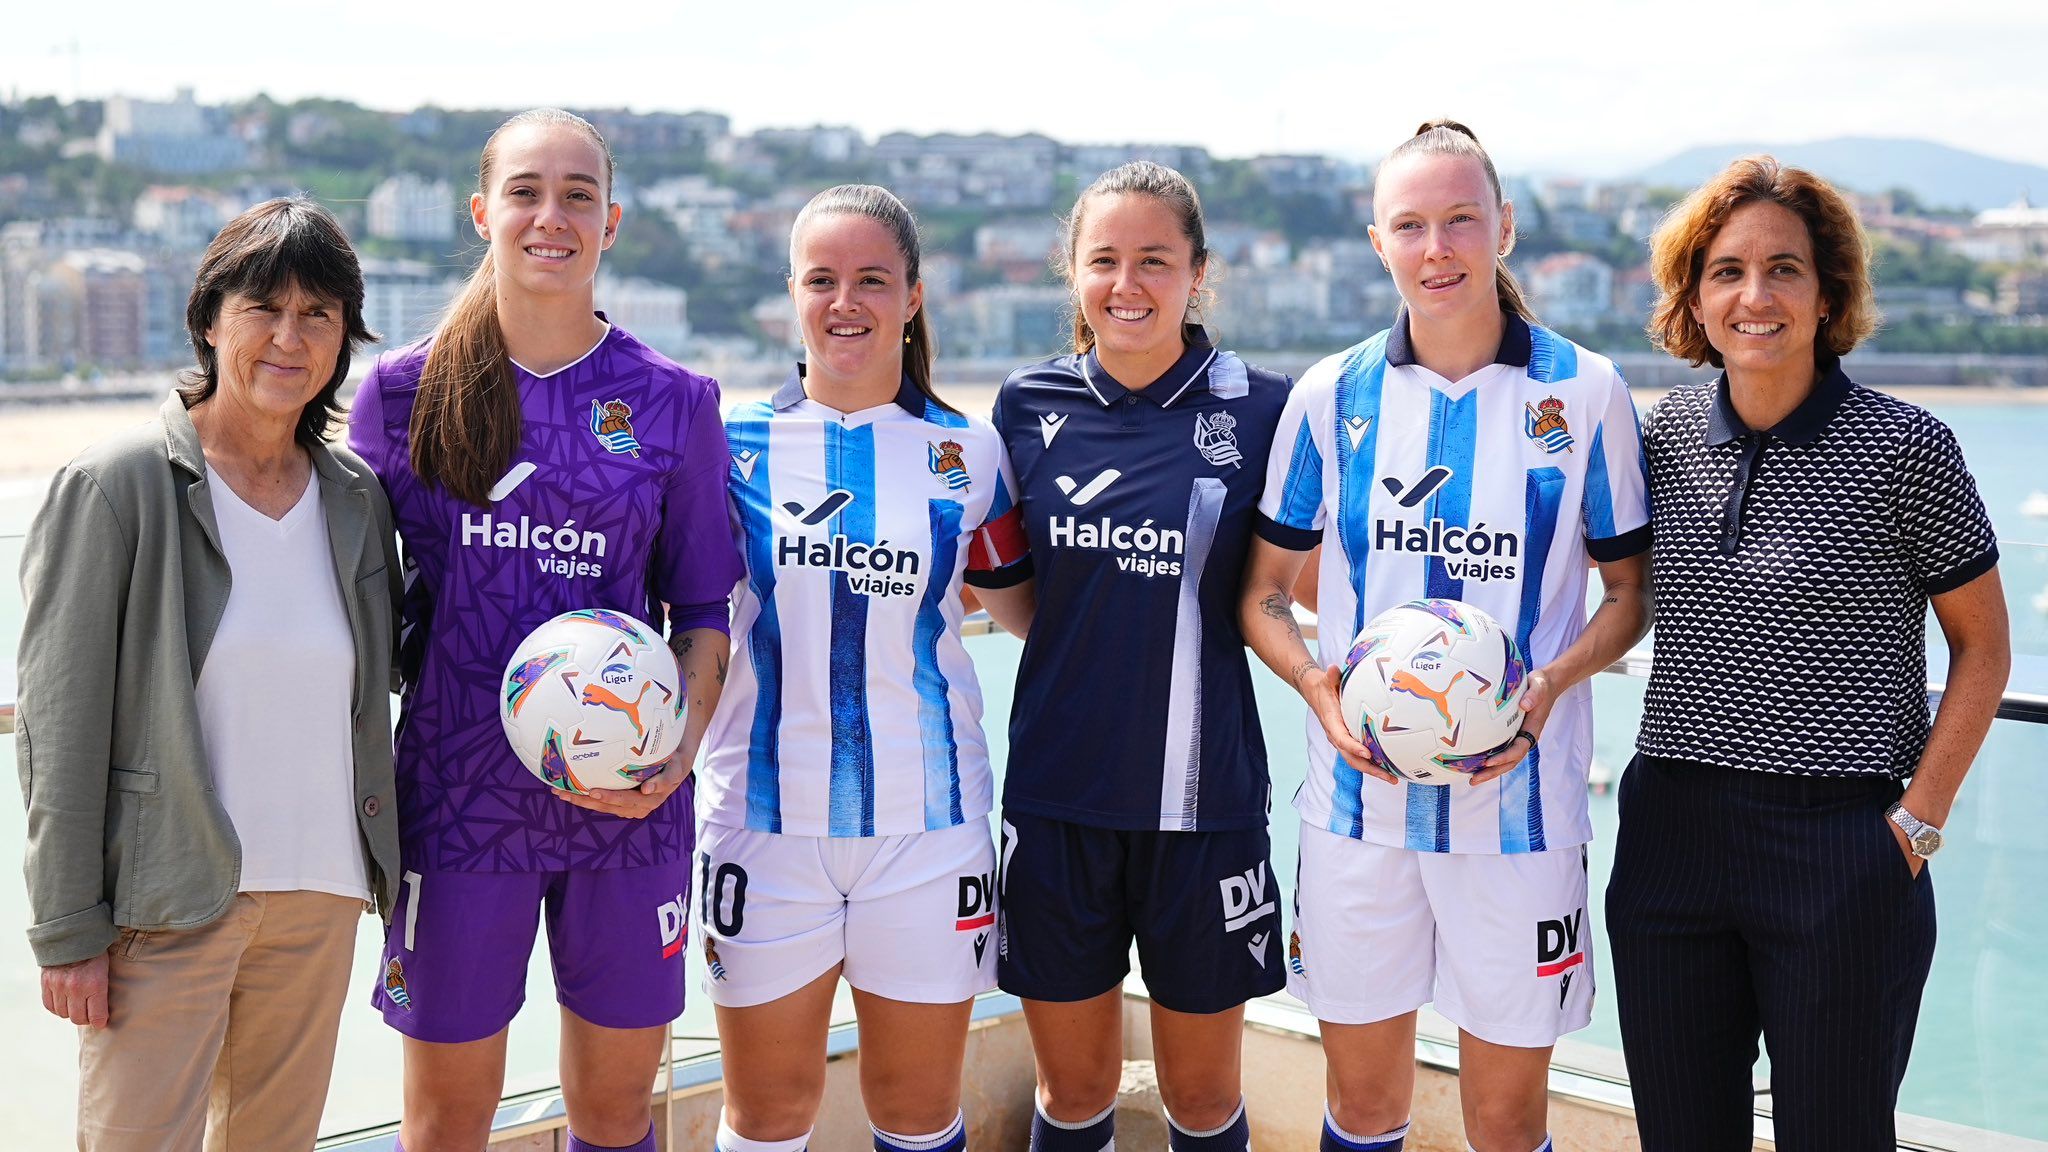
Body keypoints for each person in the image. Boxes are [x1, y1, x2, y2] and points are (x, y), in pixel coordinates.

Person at [1239, 121, 1652, 1152]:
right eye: (1411, 225)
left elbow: (1628, 595)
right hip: (1354, 814)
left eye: (1460, 219)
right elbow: (1258, 596)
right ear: (1376, 240)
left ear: (1502, 227)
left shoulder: (1583, 392)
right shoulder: (1330, 397)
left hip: (1521, 817)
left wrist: (1548, 683)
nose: (1438, 248)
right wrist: (1318, 688)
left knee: (1503, 1124)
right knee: (1363, 1108)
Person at [347, 109, 743, 1152]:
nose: (550, 215)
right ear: (483, 212)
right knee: (445, 1122)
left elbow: (703, 609)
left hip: (627, 806)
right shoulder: (400, 395)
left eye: (577, 195)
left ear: (610, 222)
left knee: (615, 1117)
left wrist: (679, 753)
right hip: (456, 805)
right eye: (526, 191)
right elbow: (337, 597)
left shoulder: (673, 403)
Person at [1607, 155, 2011, 1150]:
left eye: (1783, 269)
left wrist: (1914, 826)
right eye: (1726, 271)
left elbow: (1982, 650)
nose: (1755, 295)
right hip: (1668, 836)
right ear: (1692, 298)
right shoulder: (1655, 437)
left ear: (1825, 292)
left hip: (1839, 848)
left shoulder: (1904, 447)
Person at [18, 197, 398, 1151]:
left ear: (345, 337)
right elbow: (59, 727)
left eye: (318, 314)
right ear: (209, 318)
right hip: (166, 904)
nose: (288, 337)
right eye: (262, 307)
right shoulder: (118, 485)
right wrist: (68, 928)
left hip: (319, 896)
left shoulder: (355, 498)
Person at [697, 184, 1033, 1152]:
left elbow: (1030, 619)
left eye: (872, 280)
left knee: (919, 1115)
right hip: (761, 824)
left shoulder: (967, 454)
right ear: (791, 296)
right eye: (822, 279)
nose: (846, 301)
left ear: (914, 297)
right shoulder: (727, 445)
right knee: (764, 1117)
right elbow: (679, 619)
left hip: (927, 832)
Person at [989, 161, 1291, 1152]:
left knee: (1201, 1102)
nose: (1128, 282)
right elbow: (1023, 600)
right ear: (1070, 273)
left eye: (1153, 259)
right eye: (1103, 259)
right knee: (1071, 1095)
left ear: (1197, 272)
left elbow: (1285, 589)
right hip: (1057, 798)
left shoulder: (1262, 408)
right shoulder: (1023, 408)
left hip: (1204, 810)